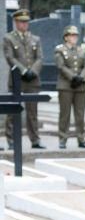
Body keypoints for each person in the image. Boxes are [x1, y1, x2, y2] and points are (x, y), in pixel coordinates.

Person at [3, 9, 46, 150]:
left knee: (33, 112)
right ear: (16, 22)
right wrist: (24, 70)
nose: (24, 24)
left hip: (33, 80)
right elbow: (10, 57)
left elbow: (40, 58)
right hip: (17, 80)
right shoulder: (9, 38)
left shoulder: (35, 39)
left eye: (26, 22)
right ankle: (11, 140)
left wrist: (32, 71)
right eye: (21, 22)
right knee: (13, 111)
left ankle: (35, 140)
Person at [54, 25, 85, 149]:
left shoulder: (81, 50)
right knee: (65, 114)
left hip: (80, 86)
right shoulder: (60, 50)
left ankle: (81, 139)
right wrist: (73, 77)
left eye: (76, 35)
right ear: (66, 37)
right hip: (66, 86)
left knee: (80, 115)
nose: (74, 37)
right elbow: (61, 66)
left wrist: (81, 77)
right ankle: (62, 138)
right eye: (72, 35)